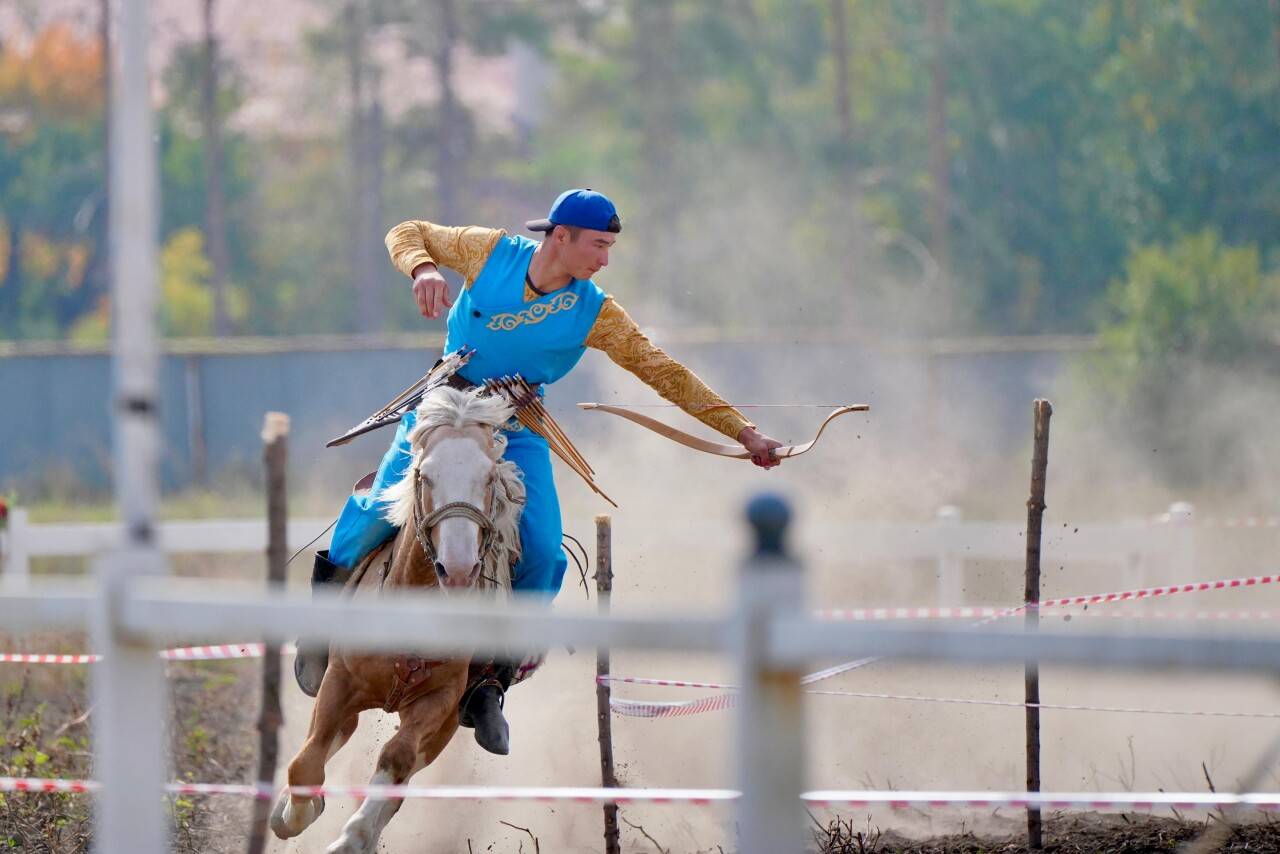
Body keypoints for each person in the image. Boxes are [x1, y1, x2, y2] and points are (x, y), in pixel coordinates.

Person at [298, 189, 784, 754]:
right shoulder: (488, 252)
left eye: (610, 248)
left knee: (546, 552)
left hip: (516, 427)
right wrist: (423, 268)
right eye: (598, 246)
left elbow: (665, 372)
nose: (604, 260)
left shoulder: (595, 310)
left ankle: (489, 682)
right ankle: (320, 634)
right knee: (371, 511)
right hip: (441, 414)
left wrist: (745, 434)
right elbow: (407, 230)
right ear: (560, 237)